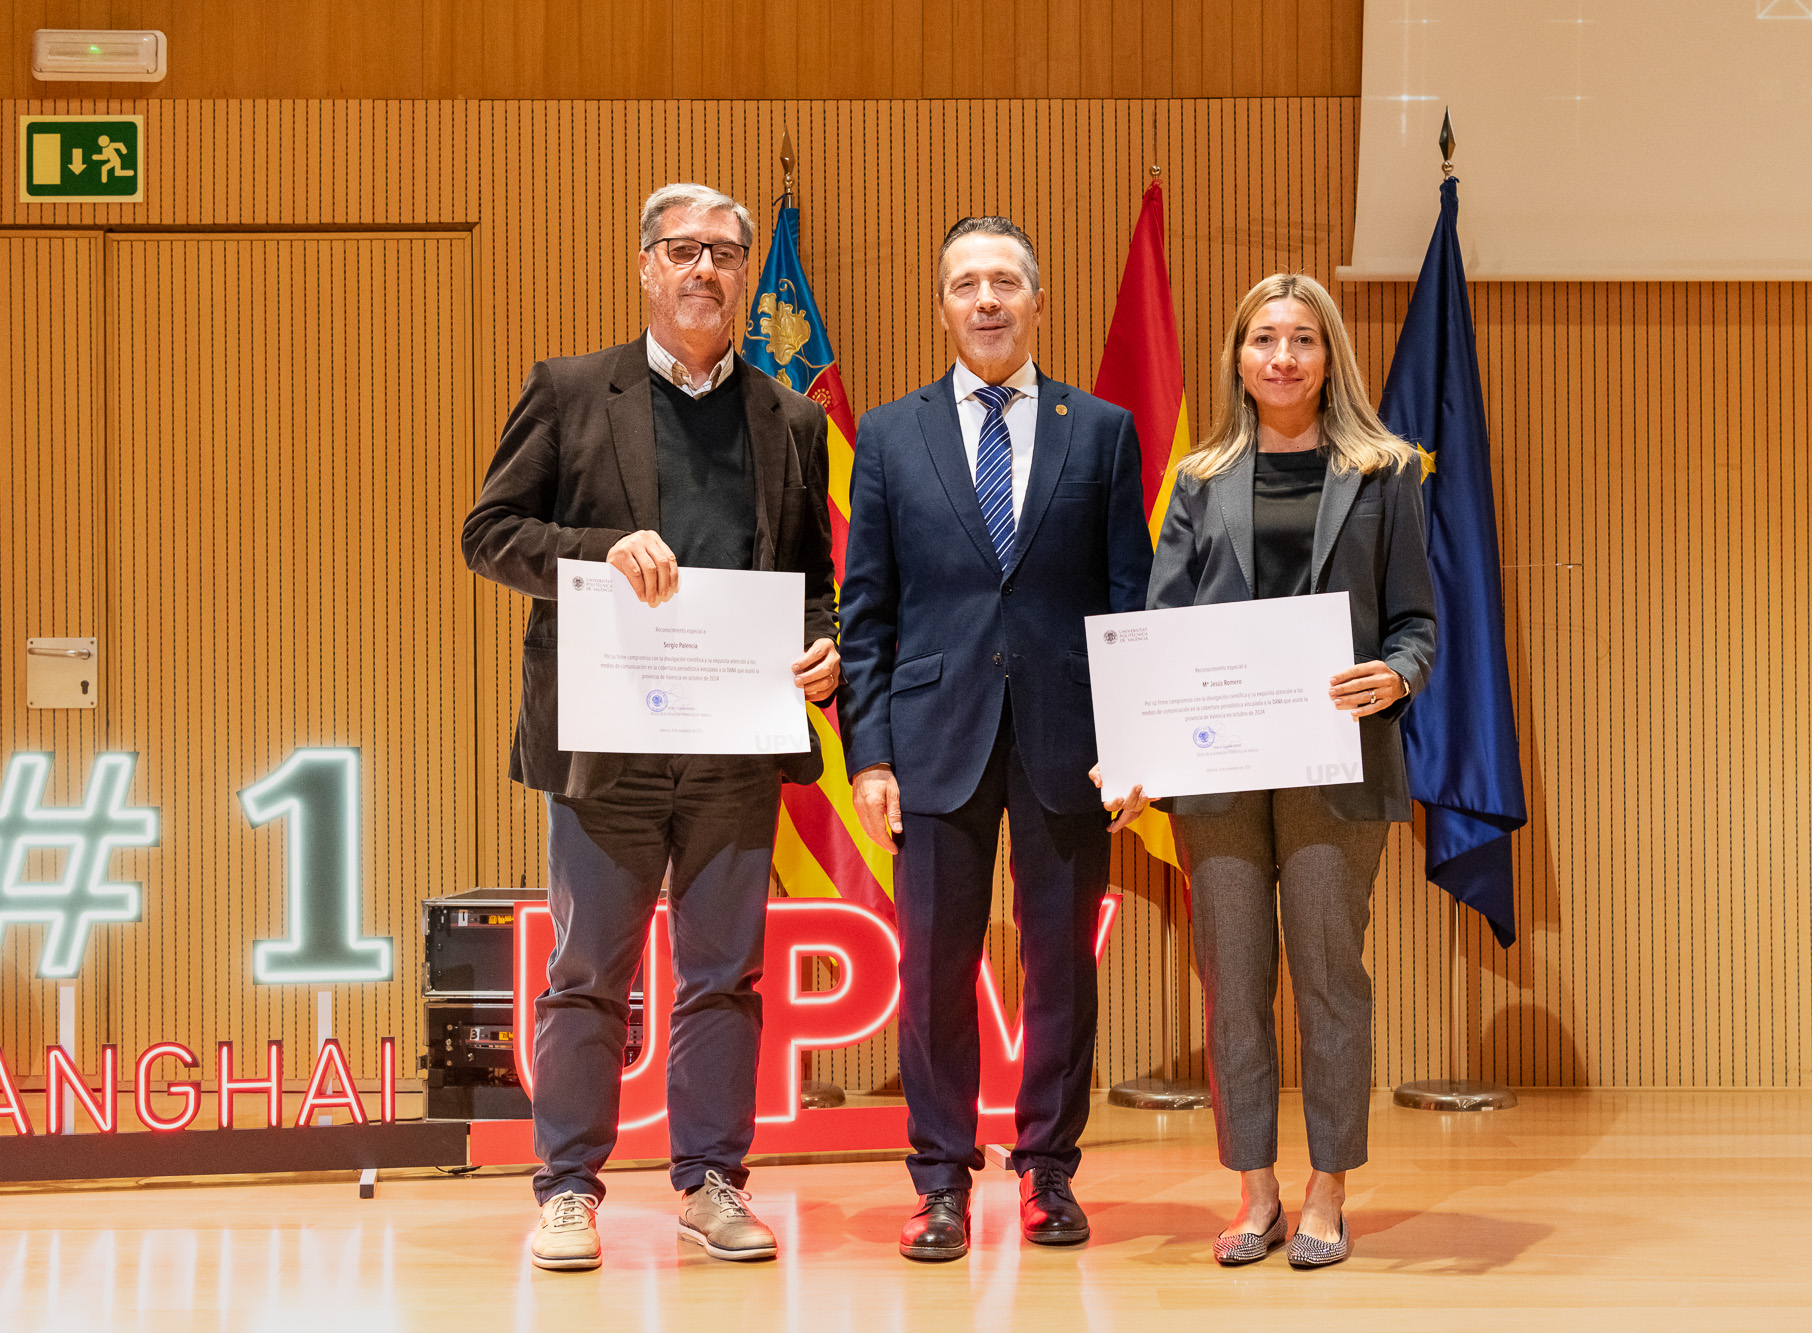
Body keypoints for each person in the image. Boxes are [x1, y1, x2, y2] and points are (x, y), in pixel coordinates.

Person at [461, 182, 842, 1272]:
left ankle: (712, 1181)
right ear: (644, 266)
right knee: (588, 972)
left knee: (725, 974)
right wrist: (597, 550)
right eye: (682, 249)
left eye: (723, 252)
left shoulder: (792, 419)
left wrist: (824, 649)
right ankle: (567, 1189)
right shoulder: (572, 390)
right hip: (605, 743)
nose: (704, 269)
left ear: (743, 275)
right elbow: (489, 532)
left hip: (734, 746)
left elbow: (811, 579)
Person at [838, 216, 1153, 1261]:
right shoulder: (890, 435)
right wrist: (868, 753)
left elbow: (1130, 602)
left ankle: (1047, 1169)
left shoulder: (1101, 430)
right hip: (932, 738)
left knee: (1061, 965)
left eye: (1005, 282)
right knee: (934, 970)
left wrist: (1135, 740)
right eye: (966, 284)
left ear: (1038, 303)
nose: (986, 300)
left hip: (1071, 739)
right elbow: (867, 611)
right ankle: (938, 1180)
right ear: (941, 307)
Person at [1139, 272, 1436, 1270]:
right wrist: (1140, 747)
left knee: (1327, 976)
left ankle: (1328, 1189)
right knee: (1232, 979)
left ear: (1328, 355)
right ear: (1236, 357)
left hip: (1335, 762)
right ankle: (1255, 1188)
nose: (1281, 356)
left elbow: (1415, 621)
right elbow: (1163, 629)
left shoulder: (1384, 472)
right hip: (1219, 772)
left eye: (1302, 338)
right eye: (1262, 338)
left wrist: (1395, 675)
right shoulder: (1198, 478)